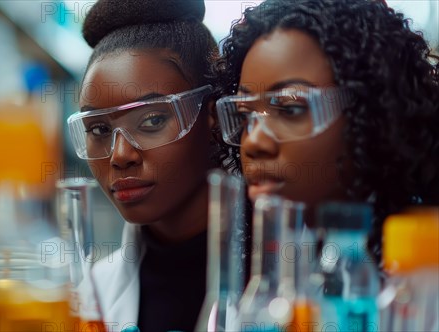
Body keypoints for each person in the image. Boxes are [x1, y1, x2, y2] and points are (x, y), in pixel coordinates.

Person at [212, 0, 439, 263]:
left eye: (290, 109)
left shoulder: (420, 275)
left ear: (371, 114)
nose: (254, 142)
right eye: (244, 113)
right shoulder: (267, 261)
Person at [68, 0, 223, 330]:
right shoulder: (90, 296)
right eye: (99, 129)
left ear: (214, 116)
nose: (120, 155)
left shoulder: (298, 279)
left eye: (151, 120)